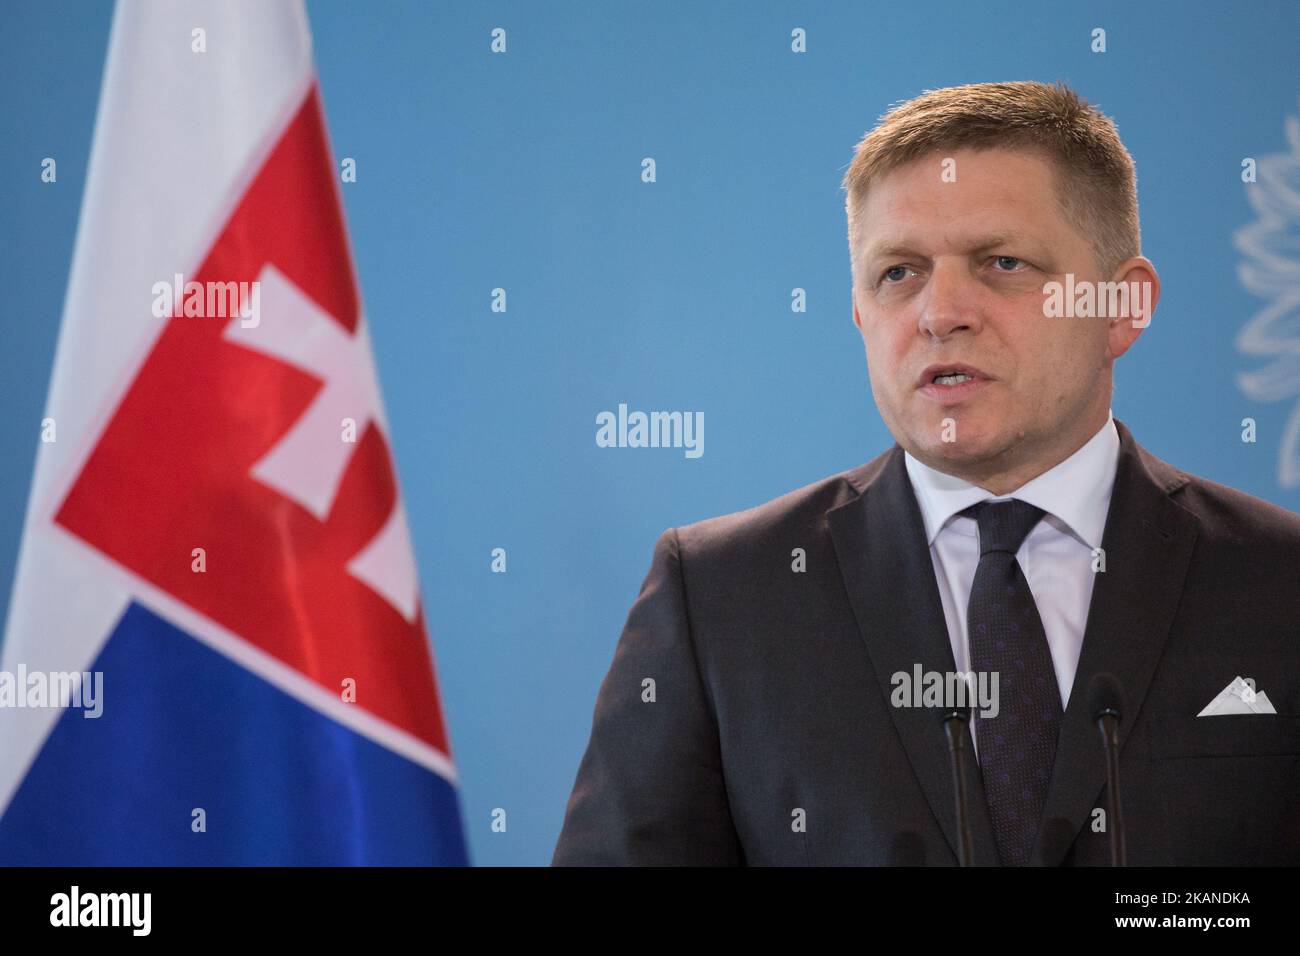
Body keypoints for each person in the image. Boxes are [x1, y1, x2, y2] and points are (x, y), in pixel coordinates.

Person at [552, 81, 1300, 866]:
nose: (941, 312)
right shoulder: (720, 597)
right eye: (899, 274)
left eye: (1002, 262)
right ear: (861, 315)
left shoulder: (1276, 582)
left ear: (1121, 305)